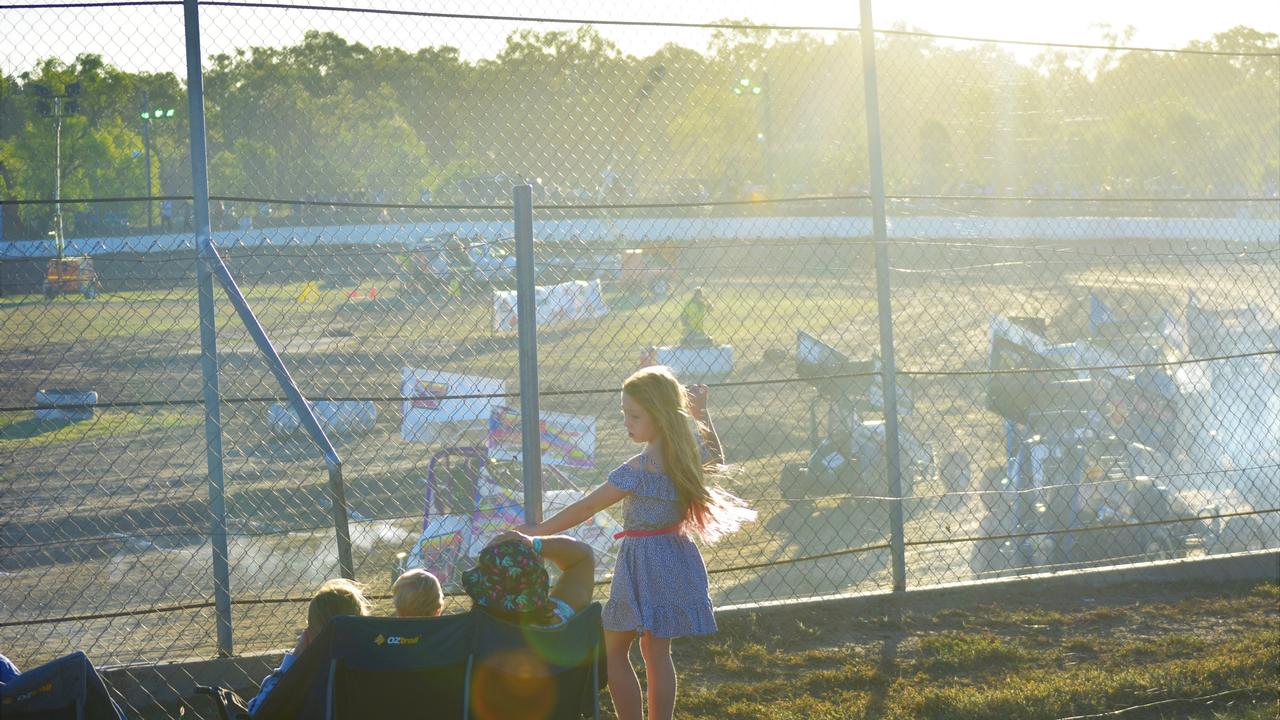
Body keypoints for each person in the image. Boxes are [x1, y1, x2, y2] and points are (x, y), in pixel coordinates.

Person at [520, 366, 754, 720]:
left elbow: (587, 506)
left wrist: (539, 531)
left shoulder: (639, 468)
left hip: (642, 562)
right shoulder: (685, 457)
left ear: (658, 416)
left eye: (634, 416)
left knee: (615, 649)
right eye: (624, 414)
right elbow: (716, 457)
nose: (626, 422)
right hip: (676, 557)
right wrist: (700, 412)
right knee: (657, 653)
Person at [246, 578, 373, 714]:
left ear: (309, 635)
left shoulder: (303, 676)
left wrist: (291, 662)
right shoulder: (377, 665)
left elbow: (256, 711)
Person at [461, 530, 597, 628]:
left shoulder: (460, 637)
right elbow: (583, 556)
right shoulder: (560, 621)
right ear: (537, 582)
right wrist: (533, 543)